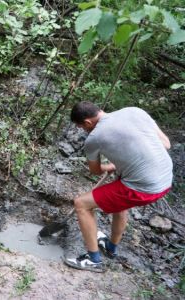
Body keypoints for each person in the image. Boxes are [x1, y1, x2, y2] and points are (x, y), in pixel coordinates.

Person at [64, 101, 173, 273]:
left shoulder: (94, 138)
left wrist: (112, 166)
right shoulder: (134, 111)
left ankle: (93, 260)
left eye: (82, 128)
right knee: (120, 203)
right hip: (166, 179)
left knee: (81, 204)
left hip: (143, 188)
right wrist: (127, 161)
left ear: (87, 123)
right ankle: (110, 247)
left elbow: (95, 171)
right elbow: (166, 144)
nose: (84, 131)